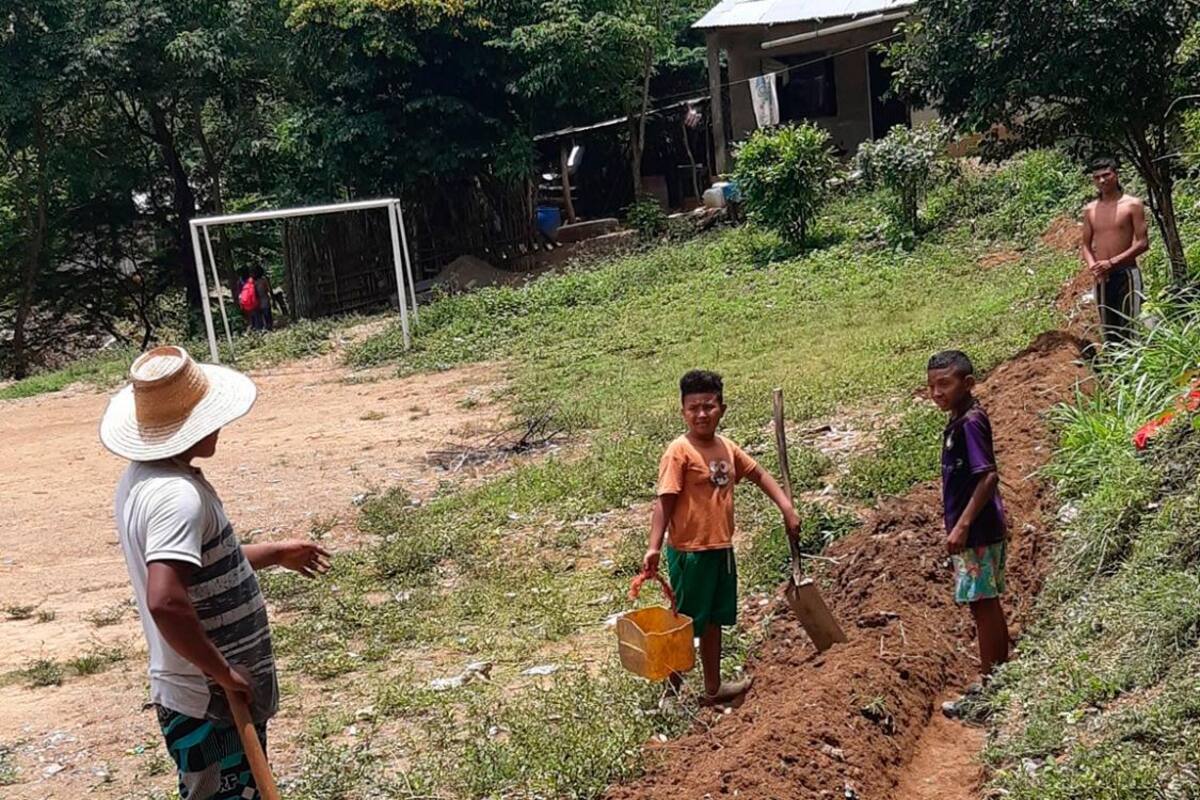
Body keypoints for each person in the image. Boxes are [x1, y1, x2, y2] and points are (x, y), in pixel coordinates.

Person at [100, 346, 331, 799]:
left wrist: (274, 552)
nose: (221, 425)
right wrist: (223, 673)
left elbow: (197, 565)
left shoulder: (146, 479)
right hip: (209, 701)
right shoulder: (176, 498)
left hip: (203, 694)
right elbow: (165, 600)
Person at [642, 370, 802, 706]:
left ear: (722, 409)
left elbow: (758, 473)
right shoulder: (679, 451)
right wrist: (654, 546)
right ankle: (670, 695)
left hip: (722, 550)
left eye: (709, 406)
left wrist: (787, 508)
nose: (702, 414)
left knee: (714, 622)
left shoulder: (726, 448)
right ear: (682, 411)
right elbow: (665, 500)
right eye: (694, 408)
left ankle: (713, 689)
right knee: (686, 625)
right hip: (690, 553)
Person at [926, 350, 1009, 716]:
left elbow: (988, 475)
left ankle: (993, 690)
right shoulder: (959, 420)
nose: (936, 393)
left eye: (944, 384)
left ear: (968, 384)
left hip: (977, 531)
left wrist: (961, 525)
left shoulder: (970, 424)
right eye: (931, 386)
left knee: (983, 604)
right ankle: (996, 678)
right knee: (983, 603)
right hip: (977, 530)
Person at [1081, 157, 1149, 345]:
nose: (1102, 181)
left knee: (1130, 326)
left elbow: (1142, 243)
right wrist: (1094, 266)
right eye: (1097, 178)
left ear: (1116, 175)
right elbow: (1085, 245)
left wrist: (1112, 262)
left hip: (1127, 274)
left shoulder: (1132, 205)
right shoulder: (1090, 210)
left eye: (1106, 175)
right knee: (1109, 330)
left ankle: (1136, 369)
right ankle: (1115, 370)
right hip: (1103, 278)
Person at [252, 266, 274, 332]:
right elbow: (269, 290)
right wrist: (273, 300)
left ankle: (260, 332)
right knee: (268, 319)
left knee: (258, 321)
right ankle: (269, 331)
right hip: (265, 302)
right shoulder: (264, 280)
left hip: (255, 304)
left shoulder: (252, 282)